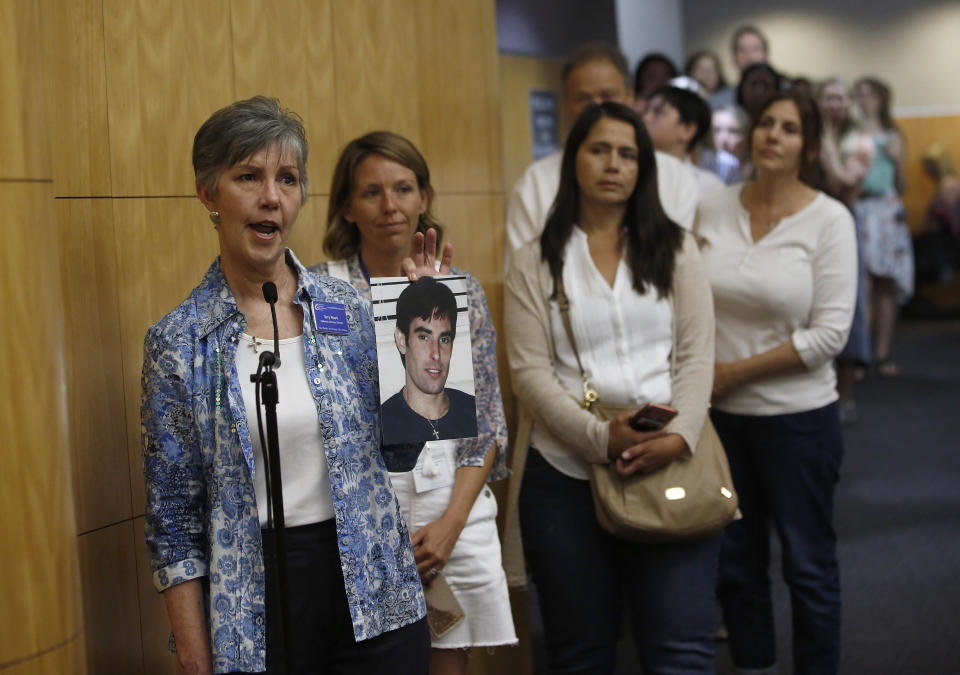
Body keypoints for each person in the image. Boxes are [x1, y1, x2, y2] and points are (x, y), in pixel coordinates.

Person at [141, 97, 441, 675]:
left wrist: (422, 339)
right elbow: (173, 519)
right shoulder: (179, 344)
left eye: (287, 179)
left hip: (374, 591)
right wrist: (195, 657)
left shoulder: (348, 311)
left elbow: (402, 450)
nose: (270, 197)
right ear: (208, 194)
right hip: (255, 602)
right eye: (248, 177)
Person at [505, 101, 719, 673]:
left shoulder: (675, 248)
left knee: (681, 652)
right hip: (566, 472)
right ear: (573, 159)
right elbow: (528, 372)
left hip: (670, 456)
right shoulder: (534, 260)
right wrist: (601, 439)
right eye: (599, 149)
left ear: (643, 168)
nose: (613, 164)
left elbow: (698, 358)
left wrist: (680, 436)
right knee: (580, 654)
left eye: (628, 154)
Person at [313, 130, 516, 674]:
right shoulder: (319, 294)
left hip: (452, 511)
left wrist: (450, 523)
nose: (390, 206)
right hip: (360, 519)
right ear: (347, 207)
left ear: (423, 197)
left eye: (403, 188)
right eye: (371, 192)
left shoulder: (460, 289)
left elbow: (485, 428)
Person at [695, 90, 857, 675]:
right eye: (765, 123)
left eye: (789, 129)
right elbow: (687, 304)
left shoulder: (830, 219)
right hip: (720, 420)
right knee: (736, 563)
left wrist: (731, 374)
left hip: (800, 421)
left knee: (808, 564)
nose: (772, 135)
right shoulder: (711, 208)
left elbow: (828, 337)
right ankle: (755, 665)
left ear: (808, 147)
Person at [505, 42, 699, 273]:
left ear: (630, 95)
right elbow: (521, 274)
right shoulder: (535, 182)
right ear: (567, 101)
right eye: (583, 98)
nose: (597, 106)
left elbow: (679, 267)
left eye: (608, 95)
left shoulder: (674, 175)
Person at [817, 77, 876, 423]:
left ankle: (847, 395)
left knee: (850, 305)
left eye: (840, 98)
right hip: (810, 222)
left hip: (843, 223)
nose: (834, 104)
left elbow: (840, 182)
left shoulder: (862, 143)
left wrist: (824, 141)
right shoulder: (810, 137)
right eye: (827, 97)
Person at [853, 76, 914, 376]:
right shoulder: (851, 135)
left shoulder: (893, 135)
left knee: (885, 284)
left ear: (881, 99)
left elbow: (901, 185)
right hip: (860, 209)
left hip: (886, 212)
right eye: (861, 95)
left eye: (871, 95)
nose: (865, 101)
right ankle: (861, 355)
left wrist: (897, 160)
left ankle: (882, 353)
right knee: (862, 285)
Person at [381, 276, 478, 444]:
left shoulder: (472, 410)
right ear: (402, 340)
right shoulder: (384, 423)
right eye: (424, 337)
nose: (436, 354)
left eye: (444, 339)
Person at [643, 84, 725, 196]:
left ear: (687, 130)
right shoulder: (632, 172)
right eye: (646, 111)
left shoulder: (708, 187)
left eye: (658, 112)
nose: (646, 118)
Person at [711, 24, 770, 110]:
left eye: (755, 49)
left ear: (765, 56)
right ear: (734, 58)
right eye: (742, 50)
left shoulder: (784, 95)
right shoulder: (718, 102)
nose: (749, 56)